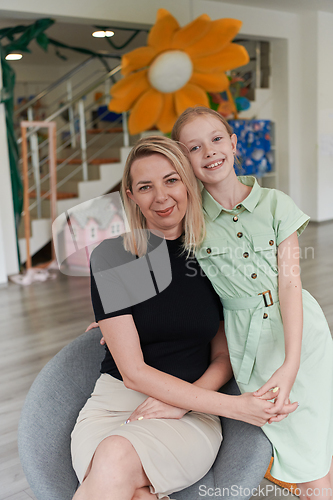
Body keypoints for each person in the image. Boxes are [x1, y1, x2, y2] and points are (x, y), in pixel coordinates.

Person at [71, 136, 295, 500]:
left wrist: (185, 402)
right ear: (131, 196)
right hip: (114, 405)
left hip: (192, 411)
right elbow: (133, 373)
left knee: (113, 459)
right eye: (146, 186)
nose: (160, 197)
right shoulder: (112, 257)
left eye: (171, 180)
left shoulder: (213, 256)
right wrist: (238, 407)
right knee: (130, 485)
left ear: (188, 184)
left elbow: (222, 357)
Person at [171, 106, 333, 499]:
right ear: (184, 159)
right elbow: (154, 266)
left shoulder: (276, 204)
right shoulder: (190, 220)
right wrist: (114, 314)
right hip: (249, 346)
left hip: (301, 337)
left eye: (216, 138)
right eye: (194, 147)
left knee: (316, 447)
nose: (209, 151)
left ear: (233, 143)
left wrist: (291, 362)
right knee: (299, 450)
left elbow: (291, 285)